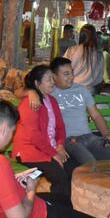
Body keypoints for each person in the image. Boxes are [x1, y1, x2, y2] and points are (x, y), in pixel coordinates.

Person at [0, 101, 105, 218]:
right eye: (12, 132)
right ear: (3, 129)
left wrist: (12, 180)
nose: (11, 138)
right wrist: (31, 190)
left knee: (65, 200)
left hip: (3, 209)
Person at [44, 56, 110, 166]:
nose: (71, 77)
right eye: (66, 74)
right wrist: (32, 93)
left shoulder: (81, 90)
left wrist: (106, 135)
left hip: (89, 137)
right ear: (54, 76)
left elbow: (95, 115)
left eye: (72, 72)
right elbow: (23, 90)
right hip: (68, 140)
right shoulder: (48, 92)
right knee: (90, 164)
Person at [13, 65, 70, 204]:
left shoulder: (52, 101)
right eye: (49, 79)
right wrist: (54, 154)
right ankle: (56, 210)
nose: (53, 82)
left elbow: (61, 128)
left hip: (47, 149)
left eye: (52, 78)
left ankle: (60, 205)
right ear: (38, 84)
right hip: (30, 151)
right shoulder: (30, 103)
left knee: (72, 168)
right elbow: (34, 136)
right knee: (59, 175)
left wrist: (60, 146)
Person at [64, 24, 103, 94]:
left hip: (71, 90)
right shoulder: (99, 54)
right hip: (89, 92)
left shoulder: (72, 50)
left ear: (81, 35)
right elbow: (99, 79)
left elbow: (62, 70)